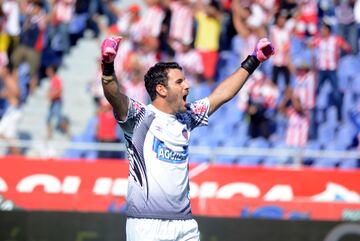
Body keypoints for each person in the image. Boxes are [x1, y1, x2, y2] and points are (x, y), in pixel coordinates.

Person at [100, 35, 274, 241]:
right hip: (147, 225)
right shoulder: (139, 118)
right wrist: (108, 65)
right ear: (161, 89)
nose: (187, 86)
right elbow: (114, 95)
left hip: (185, 224)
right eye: (180, 81)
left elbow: (222, 95)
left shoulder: (186, 117)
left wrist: (254, 59)